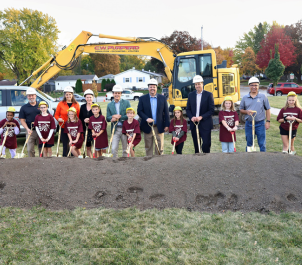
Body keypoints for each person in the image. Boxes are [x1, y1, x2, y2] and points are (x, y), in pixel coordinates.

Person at [137, 78, 170, 156]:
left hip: (159, 127)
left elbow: (166, 112)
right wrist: (146, 118)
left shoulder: (162, 98)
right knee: (148, 147)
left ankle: (158, 164)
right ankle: (149, 164)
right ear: (148, 88)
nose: (152, 88)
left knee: (160, 147)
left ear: (156, 88)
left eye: (154, 87)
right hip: (147, 127)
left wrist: (166, 125)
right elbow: (139, 111)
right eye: (151, 87)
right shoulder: (142, 98)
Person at [240, 77, 271, 152]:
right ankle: (249, 160)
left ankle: (263, 160)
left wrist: (268, 121)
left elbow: (268, 109)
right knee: (249, 143)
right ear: (249, 86)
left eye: (256, 85)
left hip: (260, 123)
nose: (254, 87)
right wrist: (247, 112)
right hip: (249, 123)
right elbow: (241, 110)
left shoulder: (263, 96)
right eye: (252, 85)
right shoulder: (244, 98)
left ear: (258, 86)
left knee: (262, 143)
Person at [186, 75, 214, 153]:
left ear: (202, 84)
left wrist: (201, 117)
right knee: (196, 145)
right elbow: (188, 109)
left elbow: (211, 110)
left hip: (205, 123)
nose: (197, 86)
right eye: (196, 84)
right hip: (194, 124)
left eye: (199, 84)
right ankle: (197, 161)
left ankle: (206, 160)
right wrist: (191, 117)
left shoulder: (208, 95)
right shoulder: (191, 95)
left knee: (206, 144)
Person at [55, 86, 80, 157]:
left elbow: (78, 116)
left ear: (72, 94)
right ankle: (65, 157)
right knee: (65, 143)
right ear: (64, 95)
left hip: (73, 128)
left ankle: (73, 156)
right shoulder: (60, 104)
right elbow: (56, 115)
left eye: (70, 94)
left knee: (72, 143)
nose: (68, 96)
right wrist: (58, 119)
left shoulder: (76, 104)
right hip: (63, 127)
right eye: (66, 94)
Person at [106, 84, 130, 157]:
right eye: (115, 93)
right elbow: (107, 118)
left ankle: (125, 164)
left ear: (121, 94)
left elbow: (129, 115)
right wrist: (112, 118)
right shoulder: (109, 105)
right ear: (113, 93)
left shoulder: (126, 103)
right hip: (115, 129)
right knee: (113, 149)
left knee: (125, 149)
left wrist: (119, 117)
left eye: (118, 93)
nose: (117, 94)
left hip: (125, 129)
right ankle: (115, 164)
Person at [19, 87, 41, 157]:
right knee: (29, 150)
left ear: (35, 96)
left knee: (41, 148)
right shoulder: (24, 107)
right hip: (30, 131)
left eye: (32, 95)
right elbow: (22, 120)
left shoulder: (41, 106)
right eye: (29, 95)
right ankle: (32, 163)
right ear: (27, 97)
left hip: (41, 130)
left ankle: (43, 162)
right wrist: (27, 129)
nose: (31, 97)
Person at [79, 89, 98, 158]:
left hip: (95, 129)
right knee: (88, 146)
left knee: (95, 146)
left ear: (93, 97)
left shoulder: (96, 106)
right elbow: (80, 117)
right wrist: (84, 120)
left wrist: (91, 120)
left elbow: (100, 117)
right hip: (86, 129)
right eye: (87, 97)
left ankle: (96, 159)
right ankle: (89, 160)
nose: (89, 99)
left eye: (90, 97)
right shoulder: (83, 107)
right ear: (85, 98)